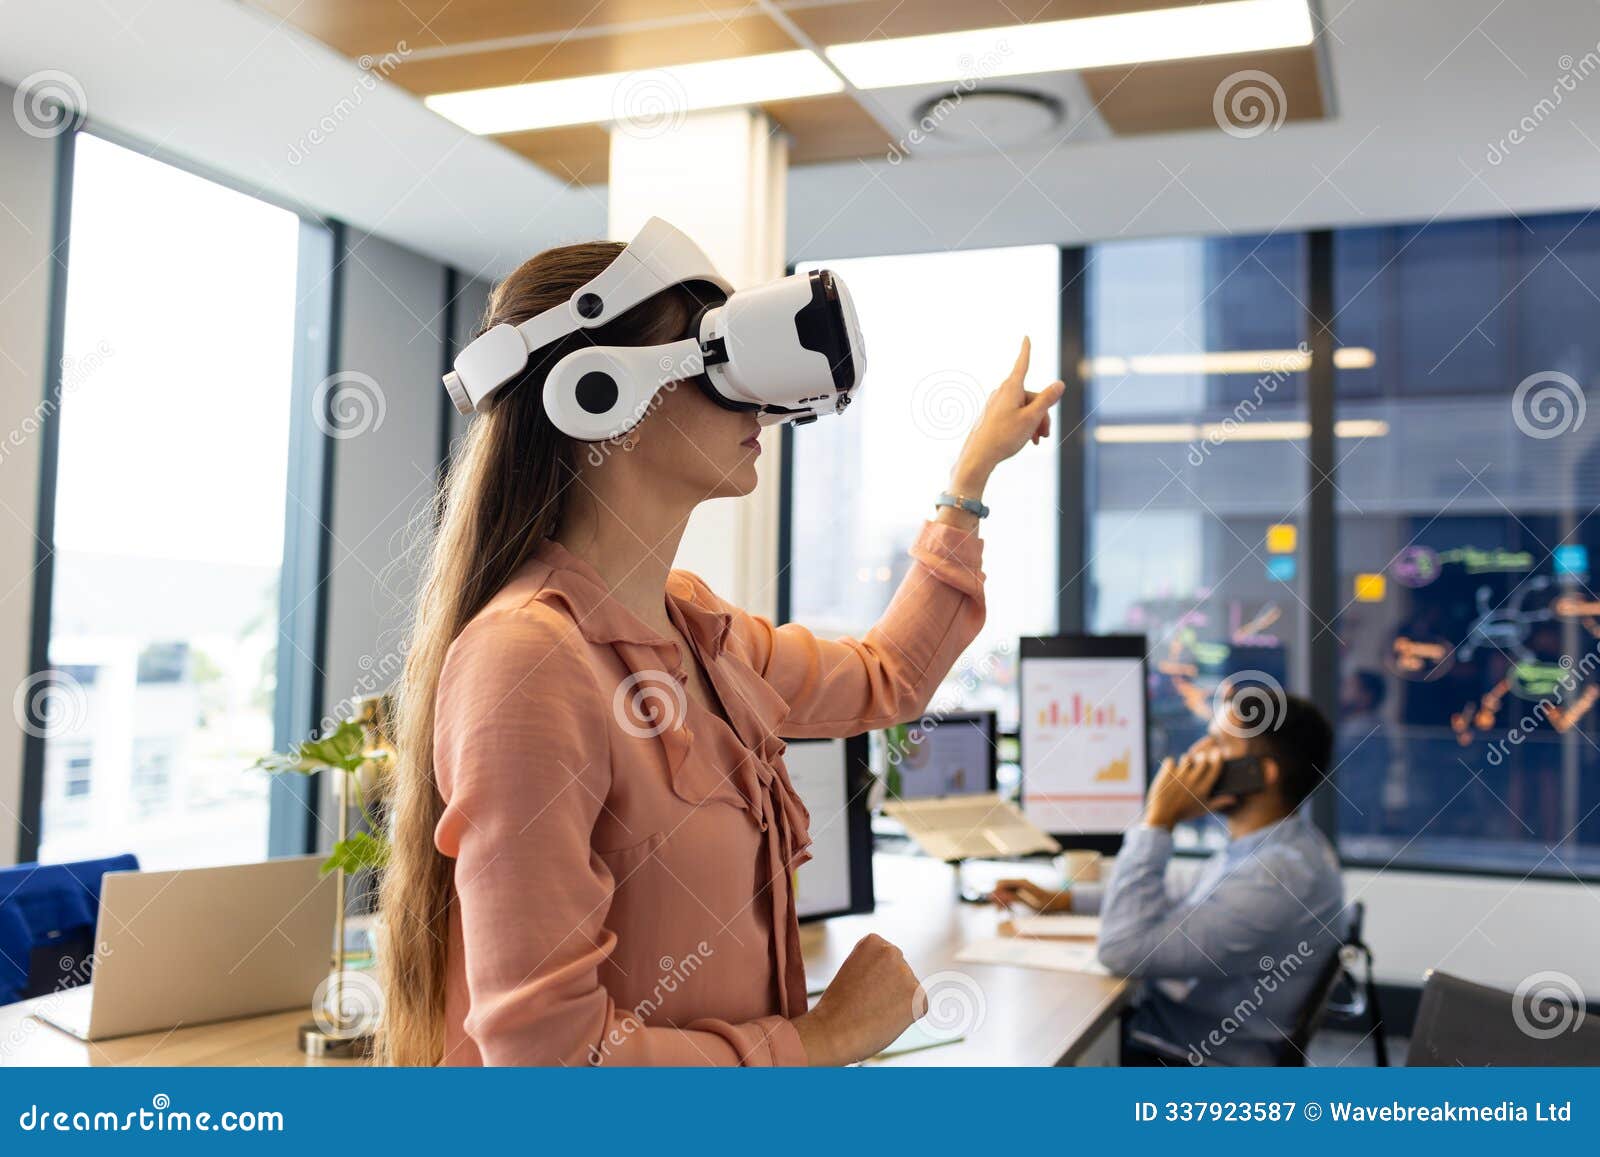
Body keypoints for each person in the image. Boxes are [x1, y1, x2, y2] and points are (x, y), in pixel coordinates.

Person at [377, 235, 1062, 1066]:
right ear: (599, 394)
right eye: (719, 363)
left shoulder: (699, 632)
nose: (762, 408)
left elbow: (891, 676)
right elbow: (546, 1064)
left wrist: (969, 480)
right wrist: (823, 1037)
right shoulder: (528, 661)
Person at [995, 692, 1346, 1065]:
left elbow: (1121, 951)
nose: (1197, 750)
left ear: (1262, 774)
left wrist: (1158, 821)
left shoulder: (1274, 877)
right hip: (1180, 1032)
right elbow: (1185, 888)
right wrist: (1065, 900)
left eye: (1219, 742)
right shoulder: (1281, 845)